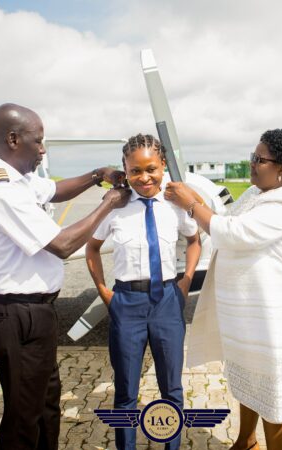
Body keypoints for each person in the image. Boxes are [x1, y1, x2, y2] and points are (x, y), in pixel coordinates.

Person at [0, 103, 131, 450]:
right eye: (37, 141)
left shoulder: (19, 179)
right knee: (25, 412)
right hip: (17, 313)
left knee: (46, 399)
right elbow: (63, 245)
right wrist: (108, 203)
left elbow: (54, 190)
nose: (43, 149)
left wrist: (97, 174)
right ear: (12, 139)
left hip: (35, 312)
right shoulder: (1, 189)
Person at [164, 129, 282, 450]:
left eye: (259, 159)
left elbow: (232, 233)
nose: (252, 164)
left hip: (272, 317)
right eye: (252, 157)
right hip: (249, 315)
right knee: (248, 382)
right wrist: (198, 201)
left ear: (281, 168)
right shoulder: (257, 194)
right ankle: (246, 441)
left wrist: (190, 205)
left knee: (271, 394)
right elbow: (225, 216)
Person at [86, 133, 201, 450]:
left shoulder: (175, 204)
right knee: (125, 391)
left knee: (172, 390)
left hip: (166, 301)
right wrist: (104, 292)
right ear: (125, 169)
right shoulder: (115, 207)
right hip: (127, 302)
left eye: (151, 168)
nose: (144, 177)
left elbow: (194, 241)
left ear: (162, 165)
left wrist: (186, 279)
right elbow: (92, 248)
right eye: (135, 171)